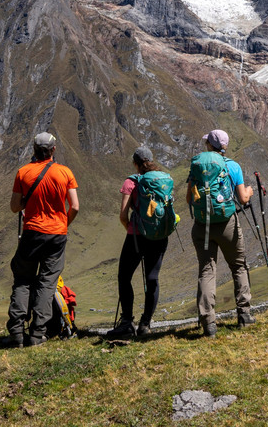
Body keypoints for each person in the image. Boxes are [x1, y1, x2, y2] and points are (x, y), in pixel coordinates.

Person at [7, 132, 80, 347]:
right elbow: (75, 206)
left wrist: (27, 205)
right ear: (53, 150)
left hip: (32, 232)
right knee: (47, 283)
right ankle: (38, 333)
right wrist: (63, 224)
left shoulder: (24, 172)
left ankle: (17, 331)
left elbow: (14, 207)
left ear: (34, 150)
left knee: (22, 280)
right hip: (57, 234)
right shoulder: (65, 173)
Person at [186, 129, 254, 336]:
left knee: (207, 271)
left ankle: (209, 323)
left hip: (202, 225)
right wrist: (250, 191)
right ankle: (244, 315)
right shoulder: (232, 166)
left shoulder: (197, 166)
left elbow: (189, 198)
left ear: (209, 145)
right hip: (227, 224)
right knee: (239, 266)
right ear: (224, 146)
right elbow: (243, 199)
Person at [107, 146, 172, 339]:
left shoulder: (131, 182)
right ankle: (145, 324)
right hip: (159, 236)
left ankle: (127, 322)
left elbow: (122, 214)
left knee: (124, 276)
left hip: (136, 237)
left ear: (135, 163)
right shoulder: (163, 179)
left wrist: (131, 228)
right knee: (152, 279)